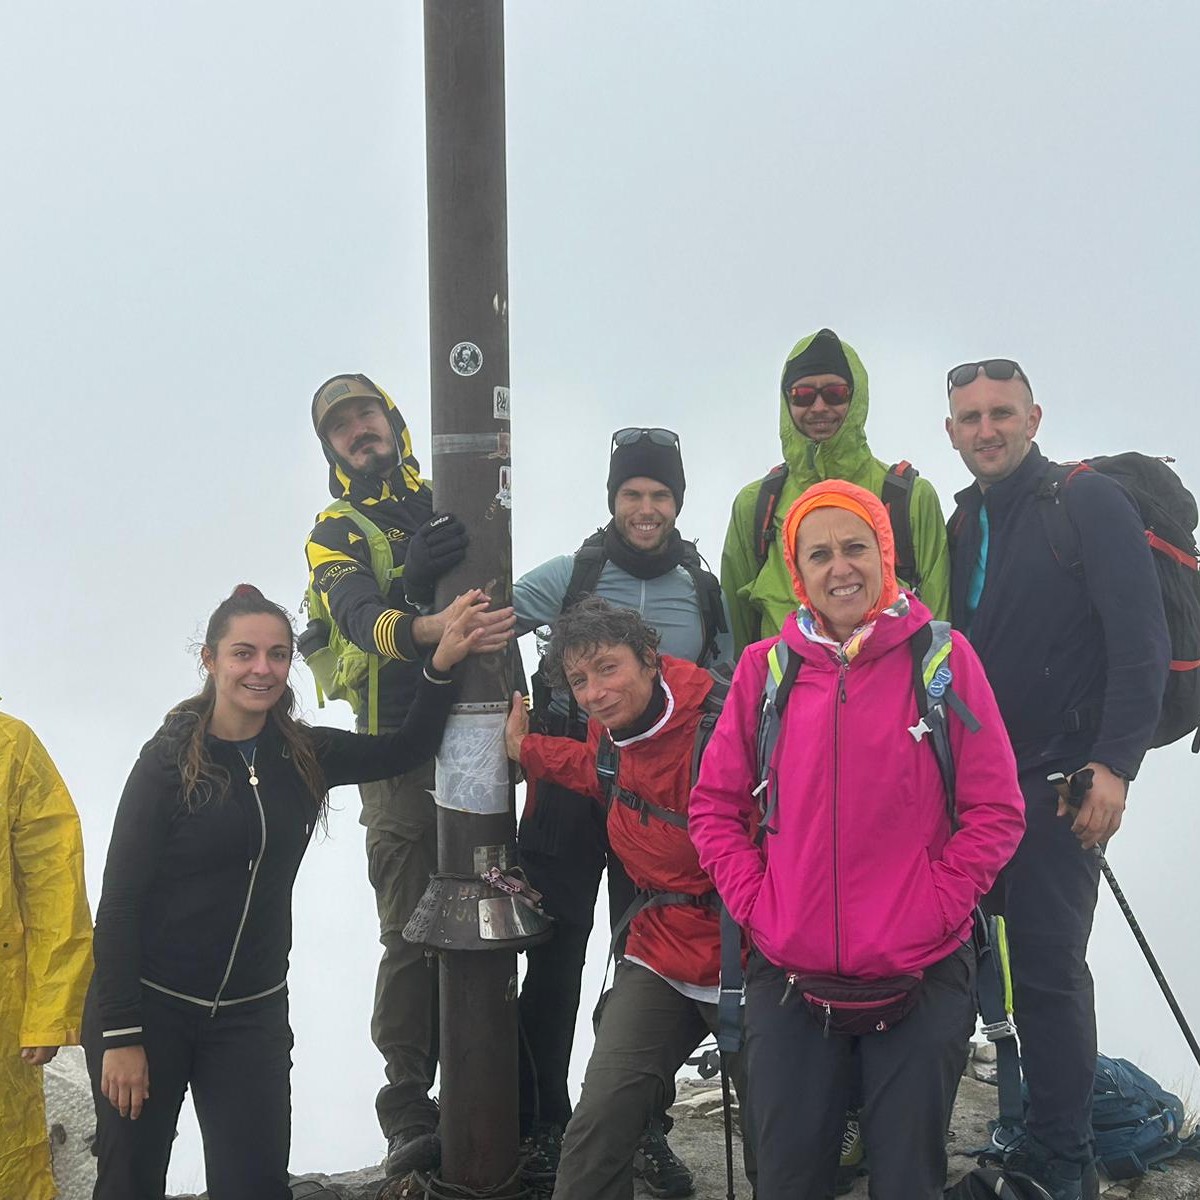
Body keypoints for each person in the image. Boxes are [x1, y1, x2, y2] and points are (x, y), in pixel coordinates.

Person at [84, 584, 512, 1200]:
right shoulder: (168, 761)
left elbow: (408, 748)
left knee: (255, 1186)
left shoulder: (303, 752)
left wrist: (440, 663)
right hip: (151, 1009)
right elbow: (119, 902)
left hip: (251, 1014)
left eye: (278, 655)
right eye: (243, 654)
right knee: (128, 1182)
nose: (262, 669)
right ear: (209, 659)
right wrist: (122, 1035)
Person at [690, 480, 1025, 1200]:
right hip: (788, 975)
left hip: (921, 971)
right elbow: (714, 809)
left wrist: (933, 907)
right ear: (797, 573)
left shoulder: (943, 661)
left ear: (886, 554)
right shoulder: (764, 671)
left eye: (855, 547)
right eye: (819, 554)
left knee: (907, 1182)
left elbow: (997, 809)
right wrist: (762, 905)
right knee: (786, 1183)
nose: (840, 567)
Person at [944, 358, 1170, 1199]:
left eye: (1001, 412)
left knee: (1045, 971)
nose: (987, 430)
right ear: (951, 431)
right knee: (961, 970)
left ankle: (1060, 1161)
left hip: (1060, 783)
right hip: (974, 789)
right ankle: (1027, 1138)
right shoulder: (964, 517)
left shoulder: (1087, 502)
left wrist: (1115, 767)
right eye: (970, 417)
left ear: (1035, 417)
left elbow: (1140, 642)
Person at [512, 427, 729, 1196]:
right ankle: (545, 1123)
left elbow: (727, 675)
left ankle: (645, 1133)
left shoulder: (702, 586)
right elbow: (496, 618)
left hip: (672, 786)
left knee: (651, 935)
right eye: (632, 494)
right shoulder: (575, 571)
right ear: (613, 500)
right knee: (557, 954)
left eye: (659, 495)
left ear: (676, 503)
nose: (645, 507)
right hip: (587, 783)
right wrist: (514, 725)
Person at [303, 372, 475, 1175]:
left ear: (393, 419)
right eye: (340, 427)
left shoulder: (454, 491)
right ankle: (408, 1105)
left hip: (476, 734)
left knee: (492, 902)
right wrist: (419, 605)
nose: (357, 432)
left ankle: (498, 1087)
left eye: (365, 413)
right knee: (411, 930)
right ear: (331, 447)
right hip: (393, 747)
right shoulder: (333, 527)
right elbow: (354, 619)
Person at [722, 327, 951, 656]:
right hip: (785, 697)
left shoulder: (909, 498)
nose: (818, 406)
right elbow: (738, 636)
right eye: (802, 394)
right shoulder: (756, 506)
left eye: (835, 393)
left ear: (856, 398)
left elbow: (939, 627)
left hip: (890, 695)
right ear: (786, 401)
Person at [0, 711, 93, 1200]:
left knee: (10, 1168)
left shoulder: (11, 747)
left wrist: (50, 1015)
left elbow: (54, 885)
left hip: (3, 1020)